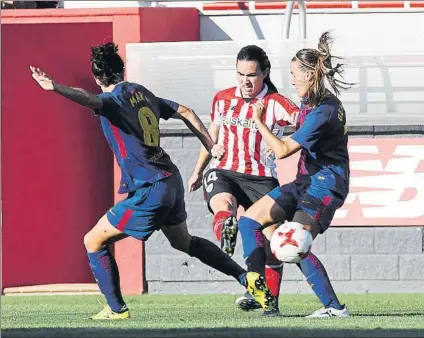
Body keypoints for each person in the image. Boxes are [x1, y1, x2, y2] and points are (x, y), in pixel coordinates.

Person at [29, 42, 275, 320]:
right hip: (170, 179)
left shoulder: (113, 100)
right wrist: (210, 144)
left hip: (150, 188)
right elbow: (186, 111)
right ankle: (246, 278)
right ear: (121, 70)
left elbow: (90, 99)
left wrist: (57, 88)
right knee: (183, 242)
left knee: (93, 240)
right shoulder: (139, 92)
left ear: (98, 77)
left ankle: (116, 309)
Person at [236, 31, 353, 318]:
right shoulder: (311, 103)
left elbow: (284, 150)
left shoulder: (324, 110)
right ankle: (257, 289)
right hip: (305, 181)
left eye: (294, 74)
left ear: (310, 75)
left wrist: (260, 123)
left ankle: (334, 308)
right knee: (250, 220)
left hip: (325, 185)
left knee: (293, 244)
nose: (291, 79)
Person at [187, 45, 299, 315]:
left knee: (274, 244)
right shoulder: (223, 99)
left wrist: (283, 141)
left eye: (251, 75)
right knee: (223, 204)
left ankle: (266, 299)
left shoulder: (277, 102)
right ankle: (227, 225)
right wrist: (198, 170)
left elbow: (306, 124)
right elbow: (211, 136)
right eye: (240, 75)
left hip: (261, 177)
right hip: (224, 169)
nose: (245, 81)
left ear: (265, 72)